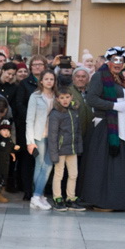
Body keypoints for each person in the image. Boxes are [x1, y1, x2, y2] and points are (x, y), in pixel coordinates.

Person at [80, 47, 125, 211]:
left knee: (118, 166)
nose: (118, 64)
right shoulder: (100, 76)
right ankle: (101, 200)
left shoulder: (119, 79)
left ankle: (117, 200)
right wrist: (114, 105)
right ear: (108, 61)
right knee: (102, 165)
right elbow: (91, 99)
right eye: (114, 60)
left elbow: (123, 99)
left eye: (121, 61)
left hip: (121, 126)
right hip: (105, 127)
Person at [48, 86, 84, 211]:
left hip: (72, 149)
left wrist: (79, 147)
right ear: (57, 99)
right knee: (59, 174)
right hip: (60, 149)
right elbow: (52, 135)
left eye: (67, 97)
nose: (65, 100)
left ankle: (71, 198)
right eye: (62, 98)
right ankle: (57, 197)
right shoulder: (55, 113)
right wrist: (54, 154)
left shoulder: (74, 111)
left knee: (73, 174)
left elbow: (77, 131)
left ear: (71, 97)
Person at [25, 70, 57, 209]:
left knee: (45, 166)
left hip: (54, 135)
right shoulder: (35, 96)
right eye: (46, 79)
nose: (49, 81)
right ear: (41, 81)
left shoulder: (57, 96)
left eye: (52, 79)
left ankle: (39, 195)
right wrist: (30, 141)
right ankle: (37, 195)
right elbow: (30, 119)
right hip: (39, 135)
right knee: (44, 165)